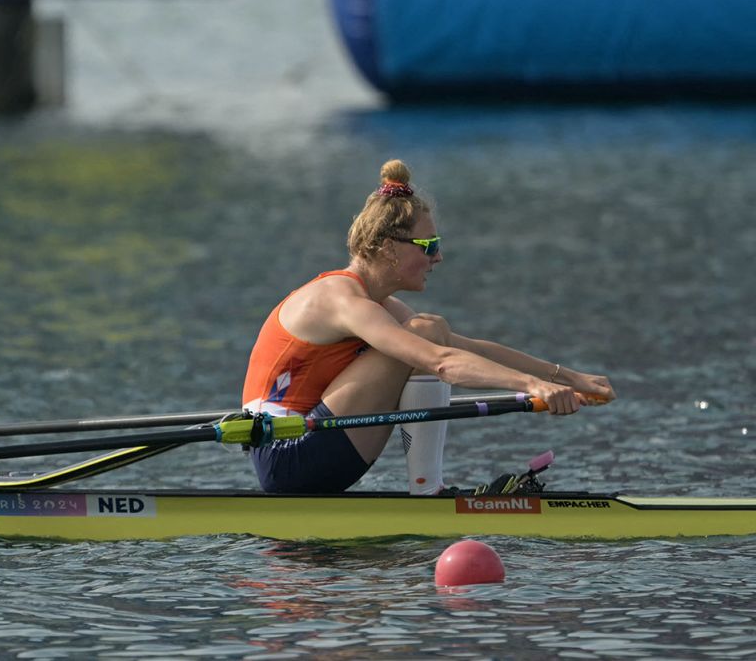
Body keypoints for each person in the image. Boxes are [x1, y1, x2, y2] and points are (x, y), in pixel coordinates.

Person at [240, 159, 616, 494]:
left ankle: (427, 490)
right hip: (286, 455)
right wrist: (532, 386)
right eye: (428, 244)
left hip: (316, 448)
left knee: (431, 331)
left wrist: (570, 378)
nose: (438, 257)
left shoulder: (378, 304)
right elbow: (441, 362)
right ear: (389, 247)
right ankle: (429, 492)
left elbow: (468, 350)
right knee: (427, 333)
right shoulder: (339, 299)